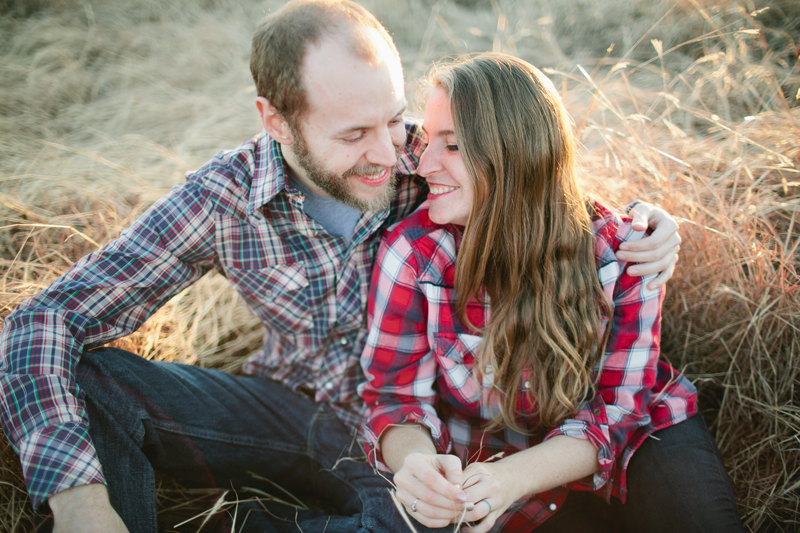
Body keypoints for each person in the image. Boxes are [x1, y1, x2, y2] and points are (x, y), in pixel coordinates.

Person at [0, 2, 681, 532]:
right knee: (93, 376)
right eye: (354, 135)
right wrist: (80, 501)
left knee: (416, 521)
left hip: (409, 437)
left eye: (393, 119)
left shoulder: (426, 161)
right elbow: (47, 316)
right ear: (276, 120)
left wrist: (648, 223)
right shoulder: (223, 199)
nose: (389, 153)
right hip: (287, 410)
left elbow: (532, 191)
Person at [359, 53, 743, 533]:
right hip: (490, 458)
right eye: (426, 141)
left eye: (452, 146)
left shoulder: (624, 253)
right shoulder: (414, 253)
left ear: (518, 155)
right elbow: (395, 395)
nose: (421, 163)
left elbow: (619, 408)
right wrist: (414, 465)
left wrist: (512, 478)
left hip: (635, 440)